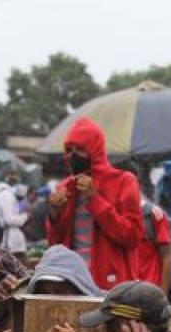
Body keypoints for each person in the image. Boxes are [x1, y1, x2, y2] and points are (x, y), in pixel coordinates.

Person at [47, 117, 146, 290]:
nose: (73, 155)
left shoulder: (123, 182)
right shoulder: (65, 188)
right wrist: (54, 214)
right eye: (69, 150)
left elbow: (132, 237)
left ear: (95, 150)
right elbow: (56, 244)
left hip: (112, 284)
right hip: (73, 282)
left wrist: (95, 200)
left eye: (80, 149)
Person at [137, 200, 171, 292]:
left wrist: (163, 295)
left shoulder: (152, 214)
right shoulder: (114, 213)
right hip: (124, 291)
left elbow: (167, 256)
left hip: (151, 290)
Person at [0, 175, 29, 253]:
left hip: (11, 236)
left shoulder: (5, 195)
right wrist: (25, 216)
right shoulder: (6, 195)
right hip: (11, 239)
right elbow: (9, 219)